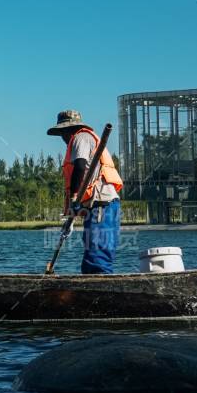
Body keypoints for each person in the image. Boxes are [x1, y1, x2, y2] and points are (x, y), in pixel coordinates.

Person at [47, 109, 125, 274]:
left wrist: (74, 197)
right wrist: (70, 220)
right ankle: (88, 286)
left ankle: (100, 288)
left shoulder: (81, 137)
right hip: (98, 205)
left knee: (97, 257)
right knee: (91, 257)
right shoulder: (82, 139)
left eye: (62, 133)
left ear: (68, 130)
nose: (63, 138)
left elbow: (80, 166)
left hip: (102, 204)